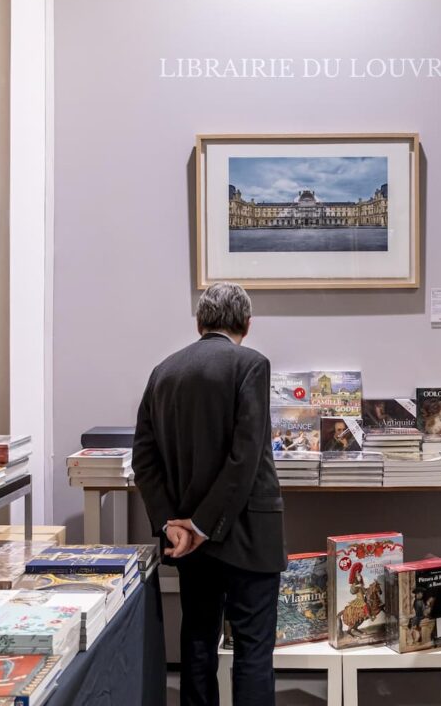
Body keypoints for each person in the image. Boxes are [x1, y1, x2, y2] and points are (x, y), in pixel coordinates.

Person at [132, 282, 286, 706]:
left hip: (186, 540)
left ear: (200, 323)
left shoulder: (163, 371)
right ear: (247, 325)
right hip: (248, 531)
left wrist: (172, 524)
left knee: (197, 647)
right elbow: (245, 458)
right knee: (253, 651)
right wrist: (204, 525)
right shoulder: (251, 365)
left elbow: (143, 459)